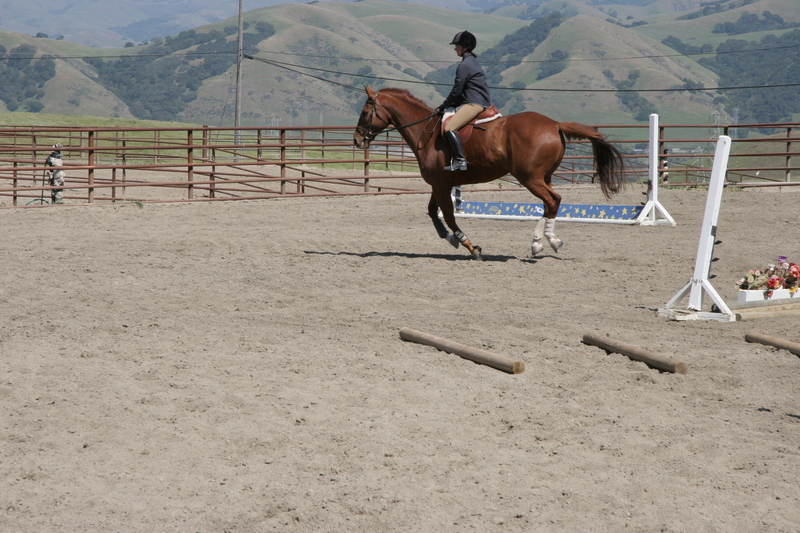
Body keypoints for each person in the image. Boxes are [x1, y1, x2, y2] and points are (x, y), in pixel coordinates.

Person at [436, 30, 492, 171]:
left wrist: (444, 106)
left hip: (474, 104)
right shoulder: (473, 62)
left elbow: (457, 90)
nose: (455, 48)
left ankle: (460, 160)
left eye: (457, 46)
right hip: (480, 101)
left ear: (465, 46)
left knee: (449, 128)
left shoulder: (464, 65)